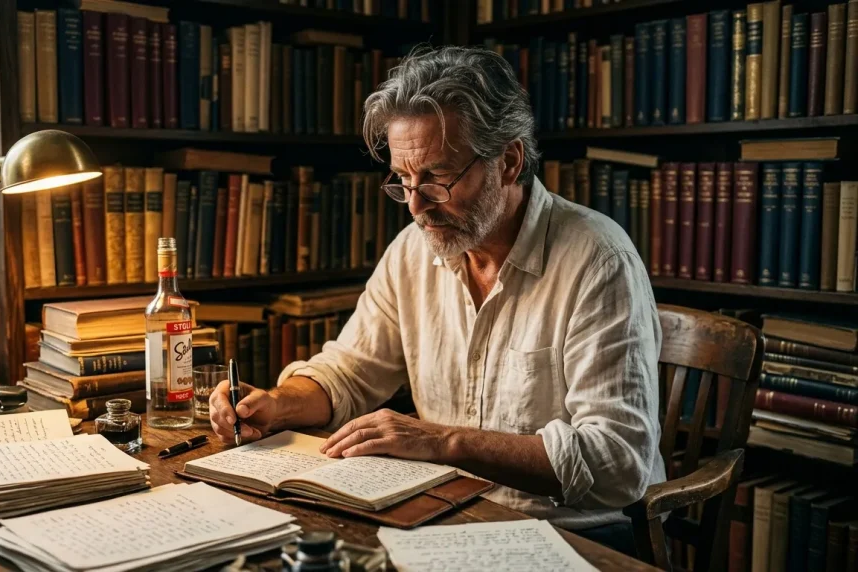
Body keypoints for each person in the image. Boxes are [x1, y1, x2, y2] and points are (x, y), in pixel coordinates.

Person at [209, 45, 664, 556]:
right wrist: (279, 404)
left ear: (508, 161)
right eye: (403, 181)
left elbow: (618, 463)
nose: (417, 207)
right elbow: (351, 371)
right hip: (442, 517)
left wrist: (442, 442)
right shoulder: (414, 249)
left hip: (576, 534)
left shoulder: (597, 259)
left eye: (437, 178)